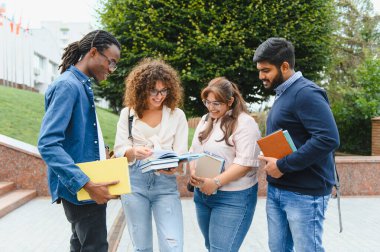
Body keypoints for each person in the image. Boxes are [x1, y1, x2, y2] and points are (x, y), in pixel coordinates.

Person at [252, 37, 340, 252]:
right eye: (260, 70)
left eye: (266, 70)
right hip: (278, 190)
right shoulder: (284, 93)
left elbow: (328, 139)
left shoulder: (306, 93)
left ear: (284, 66)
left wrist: (282, 166)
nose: (261, 76)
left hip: (305, 194)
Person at [37, 30, 121, 252]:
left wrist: (103, 154)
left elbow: (76, 138)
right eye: (111, 62)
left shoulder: (81, 85)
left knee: (82, 245)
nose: (112, 70)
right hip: (83, 187)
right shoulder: (68, 86)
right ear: (93, 52)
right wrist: (87, 184)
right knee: (95, 247)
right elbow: (48, 144)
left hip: (88, 185)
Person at [113, 58, 188, 252]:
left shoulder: (177, 115)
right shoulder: (127, 114)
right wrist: (133, 152)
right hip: (134, 183)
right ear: (141, 89)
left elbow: (181, 152)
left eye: (163, 91)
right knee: (141, 247)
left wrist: (173, 165)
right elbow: (120, 148)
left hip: (165, 184)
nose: (159, 96)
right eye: (153, 91)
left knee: (173, 245)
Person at [189, 77, 261, 252]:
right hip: (203, 195)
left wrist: (216, 182)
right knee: (211, 247)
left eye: (217, 103)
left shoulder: (245, 123)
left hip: (233, 198)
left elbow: (245, 164)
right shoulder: (206, 119)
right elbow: (194, 152)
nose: (211, 108)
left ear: (230, 101)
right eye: (208, 102)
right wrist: (193, 172)